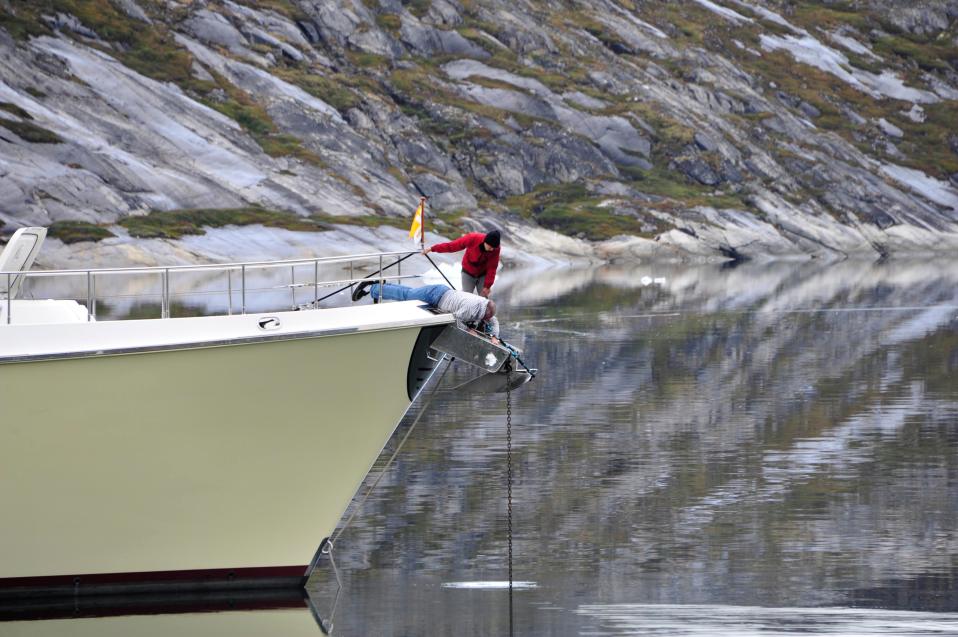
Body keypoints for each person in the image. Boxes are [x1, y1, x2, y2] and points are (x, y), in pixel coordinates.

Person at [352, 280, 499, 339]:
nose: (487, 321)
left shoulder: (485, 305)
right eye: (485, 319)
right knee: (407, 295)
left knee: (409, 293)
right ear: (483, 314)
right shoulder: (471, 309)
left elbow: (494, 321)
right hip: (435, 296)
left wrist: (494, 337)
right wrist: (469, 331)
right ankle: (373, 288)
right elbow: (454, 319)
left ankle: (385, 286)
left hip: (441, 293)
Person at [423, 230, 501, 297]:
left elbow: (492, 267)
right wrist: (432, 248)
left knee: (483, 298)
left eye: (494, 248)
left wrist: (487, 286)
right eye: (490, 247)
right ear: (485, 242)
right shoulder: (472, 238)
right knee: (466, 297)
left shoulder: (495, 249)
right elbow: (452, 246)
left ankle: (482, 314)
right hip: (468, 272)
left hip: (482, 273)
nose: (492, 249)